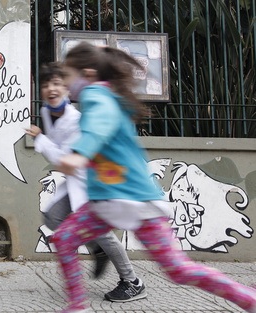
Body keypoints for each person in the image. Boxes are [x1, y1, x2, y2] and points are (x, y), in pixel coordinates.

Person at [51, 41, 256, 313]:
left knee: (177, 270)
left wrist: (79, 154)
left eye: (68, 77)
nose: (65, 84)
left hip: (131, 200)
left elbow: (98, 128)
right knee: (176, 270)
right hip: (111, 201)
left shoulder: (96, 97)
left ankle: (249, 299)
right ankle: (77, 307)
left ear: (87, 75)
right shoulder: (108, 97)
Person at [26, 62, 147, 303]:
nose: (52, 89)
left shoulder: (75, 120)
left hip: (94, 182)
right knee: (52, 217)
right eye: (47, 85)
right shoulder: (46, 112)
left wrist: (40, 139)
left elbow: (65, 159)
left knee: (102, 231)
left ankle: (133, 282)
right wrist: (44, 139)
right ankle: (98, 248)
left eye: (58, 84)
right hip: (75, 182)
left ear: (68, 90)